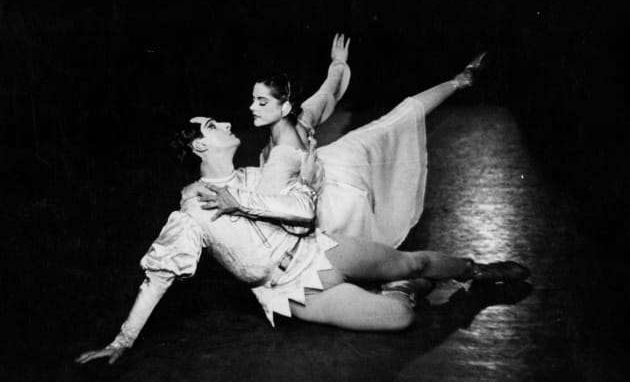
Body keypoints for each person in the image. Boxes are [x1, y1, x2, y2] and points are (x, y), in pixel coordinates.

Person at [76, 117, 529, 365]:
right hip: (289, 292)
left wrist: (244, 201)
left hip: (320, 251)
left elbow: (303, 212)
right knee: (399, 319)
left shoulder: (259, 175)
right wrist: (123, 339)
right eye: (213, 125)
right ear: (199, 147)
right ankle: (396, 291)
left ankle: (476, 270)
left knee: (413, 263)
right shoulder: (190, 214)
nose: (227, 122)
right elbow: (158, 277)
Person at [242, 33, 486, 248]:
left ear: (284, 107)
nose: (253, 108)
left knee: (395, 122)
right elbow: (327, 90)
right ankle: (460, 81)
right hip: (334, 171)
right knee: (392, 122)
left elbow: (281, 208)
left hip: (330, 209)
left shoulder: (289, 144)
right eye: (254, 100)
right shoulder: (303, 118)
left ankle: (459, 81)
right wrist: (338, 62)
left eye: (262, 103)